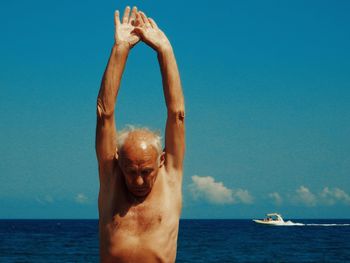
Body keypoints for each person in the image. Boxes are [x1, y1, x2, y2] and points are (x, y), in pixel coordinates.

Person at [95, 6, 185, 263]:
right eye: (131, 171)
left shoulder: (170, 177)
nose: (137, 181)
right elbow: (104, 114)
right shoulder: (111, 180)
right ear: (118, 162)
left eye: (146, 171)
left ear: (161, 160)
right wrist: (120, 49)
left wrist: (164, 51)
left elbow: (177, 114)